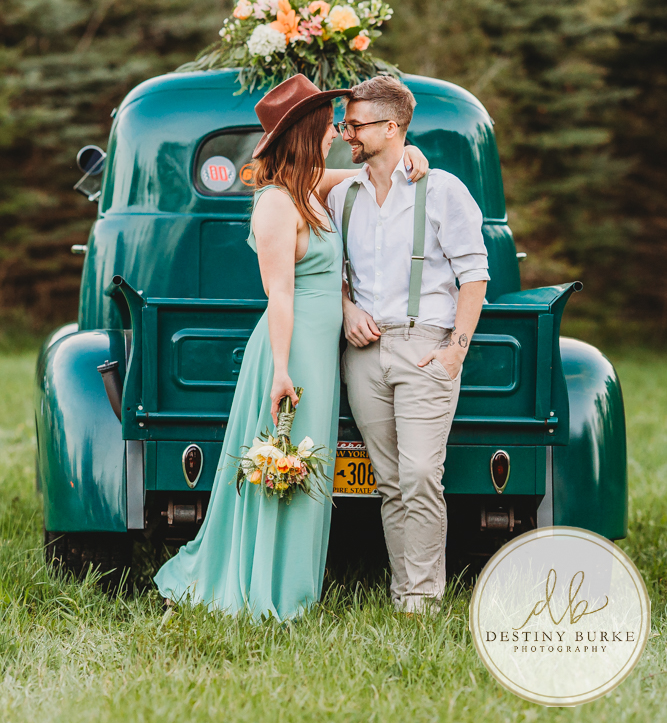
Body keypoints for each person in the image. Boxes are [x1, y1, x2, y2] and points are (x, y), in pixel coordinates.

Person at [154, 74, 428, 619]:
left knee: (308, 469)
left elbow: (361, 170)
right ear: (304, 133)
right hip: (291, 352)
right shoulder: (277, 203)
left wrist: (406, 153)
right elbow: (279, 294)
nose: (336, 133)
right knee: (285, 467)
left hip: (319, 356)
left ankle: (293, 585)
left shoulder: (309, 188)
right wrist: (281, 370)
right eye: (328, 126)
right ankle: (270, 590)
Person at [328, 76, 489, 614]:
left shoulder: (442, 189)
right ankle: (407, 595)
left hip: (425, 346)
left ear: (391, 127)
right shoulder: (343, 195)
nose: (345, 133)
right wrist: (348, 308)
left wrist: (454, 352)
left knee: (421, 473)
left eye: (354, 125)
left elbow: (475, 275)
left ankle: (421, 600)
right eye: (344, 124)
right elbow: (334, 270)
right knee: (390, 481)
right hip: (365, 355)